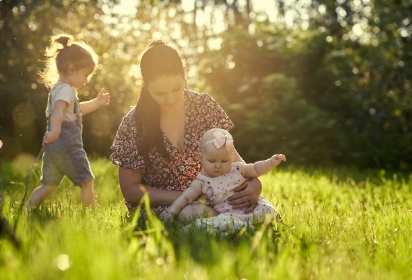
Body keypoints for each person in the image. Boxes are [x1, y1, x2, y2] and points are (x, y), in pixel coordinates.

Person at [110, 40, 263, 223]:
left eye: (176, 88)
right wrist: (187, 196)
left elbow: (230, 158)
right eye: (159, 93)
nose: (170, 99)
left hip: (212, 194)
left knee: (263, 213)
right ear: (145, 84)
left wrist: (253, 184)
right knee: (204, 215)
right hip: (162, 204)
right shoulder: (134, 123)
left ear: (184, 74)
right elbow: (130, 189)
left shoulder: (204, 106)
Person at [26, 33, 110, 209]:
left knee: (48, 185)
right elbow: (57, 111)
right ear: (72, 69)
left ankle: (28, 210)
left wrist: (96, 103)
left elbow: (74, 111)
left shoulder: (59, 89)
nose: (87, 80)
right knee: (87, 181)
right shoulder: (66, 91)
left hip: (53, 148)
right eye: (86, 74)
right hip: (66, 144)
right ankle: (92, 213)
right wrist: (56, 132)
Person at [160, 128, 285, 223]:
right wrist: (170, 212)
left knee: (267, 210)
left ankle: (270, 222)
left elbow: (256, 169)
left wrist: (271, 162)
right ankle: (243, 227)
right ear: (201, 158)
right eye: (212, 161)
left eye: (224, 161)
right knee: (222, 223)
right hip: (228, 215)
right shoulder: (202, 182)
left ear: (231, 158)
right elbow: (185, 198)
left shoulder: (237, 168)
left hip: (251, 207)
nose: (218, 165)